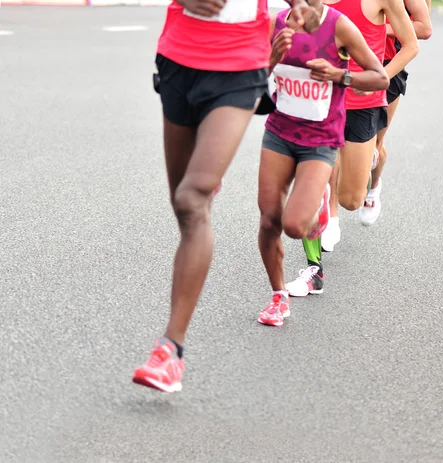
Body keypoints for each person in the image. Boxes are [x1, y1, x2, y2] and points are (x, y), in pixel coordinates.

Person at [132, 0, 320, 393]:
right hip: (178, 60)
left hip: (239, 67)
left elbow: (307, 5)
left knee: (191, 201)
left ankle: (170, 351)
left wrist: (307, 9)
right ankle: (206, 173)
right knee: (181, 200)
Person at [257, 1, 389, 326]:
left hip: (320, 139)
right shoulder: (275, 23)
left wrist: (340, 76)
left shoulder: (338, 25)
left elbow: (380, 77)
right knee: (269, 219)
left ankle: (319, 207)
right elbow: (251, 75)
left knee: (293, 225)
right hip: (278, 133)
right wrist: (271, 59)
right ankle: (278, 297)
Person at [286, 0, 419, 297]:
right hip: (318, 100)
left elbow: (411, 45)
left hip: (362, 104)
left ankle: (371, 177)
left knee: (350, 200)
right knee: (312, 180)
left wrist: (378, 79)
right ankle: (313, 269)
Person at [359, 0, 432, 226]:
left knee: (374, 146)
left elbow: (424, 28)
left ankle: (373, 187)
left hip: (387, 65)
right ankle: (329, 213)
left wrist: (376, 26)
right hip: (349, 63)